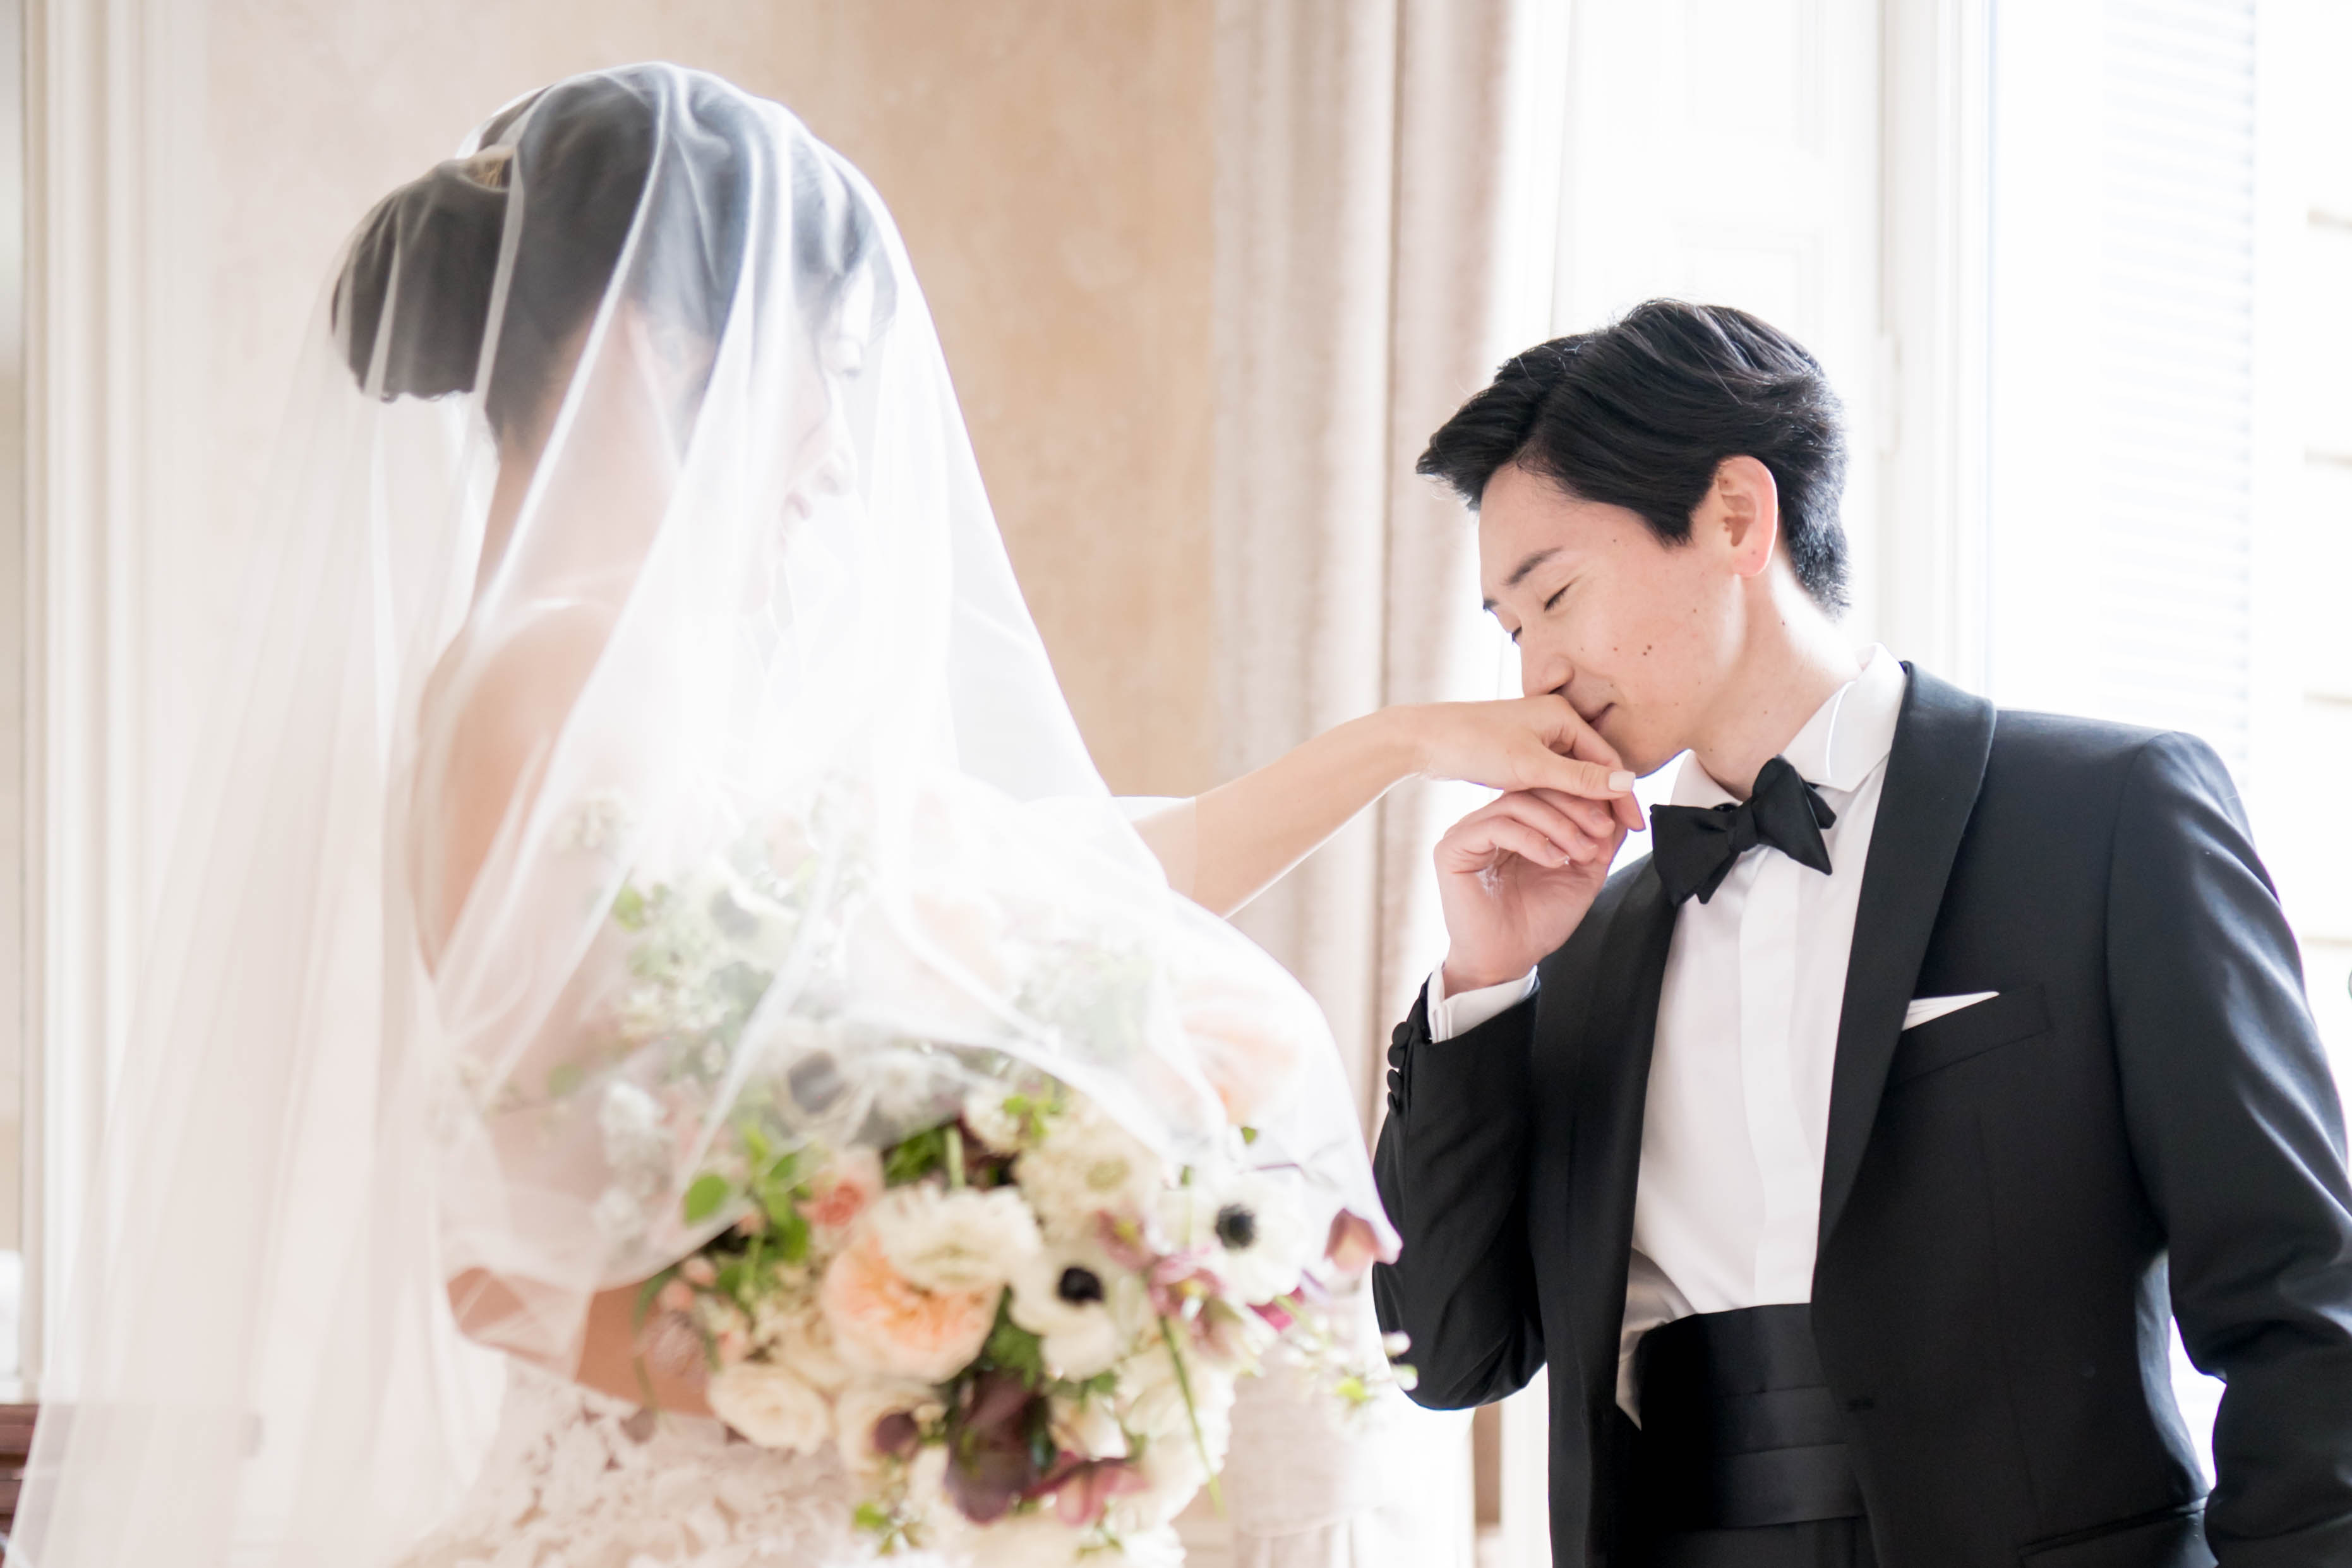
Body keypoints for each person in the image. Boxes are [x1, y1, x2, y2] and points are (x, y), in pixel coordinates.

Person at [11, 66, 1624, 1568]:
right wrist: (985, 1349)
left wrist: (1405, 743)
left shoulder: (658, 681)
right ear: (657, 340)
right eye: (820, 366)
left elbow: (1070, 895)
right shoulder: (554, 679)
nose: (837, 443)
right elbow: (511, 1262)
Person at [1371, 301, 2352, 1568]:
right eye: (1511, 631)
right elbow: (1444, 1356)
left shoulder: (2105, 817)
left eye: (1553, 596)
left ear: (1735, 513)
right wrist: (1482, 984)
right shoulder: (1590, 938)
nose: (1534, 675)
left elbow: (2295, 1302)